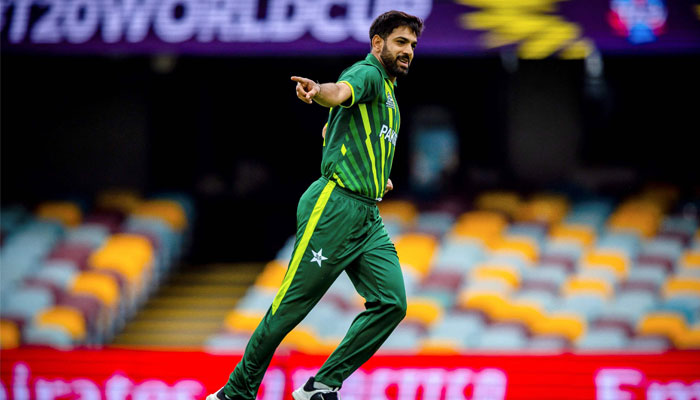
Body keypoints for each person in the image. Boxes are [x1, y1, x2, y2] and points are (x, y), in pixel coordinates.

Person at [207, 10, 423, 400]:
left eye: (412, 45)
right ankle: (235, 392)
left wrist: (376, 177)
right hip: (334, 207)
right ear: (378, 44)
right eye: (400, 42)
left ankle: (321, 385)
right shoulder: (369, 73)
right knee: (291, 307)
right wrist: (317, 91)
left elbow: (334, 130)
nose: (408, 51)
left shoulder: (389, 94)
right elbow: (339, 92)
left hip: (366, 215)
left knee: (392, 302)